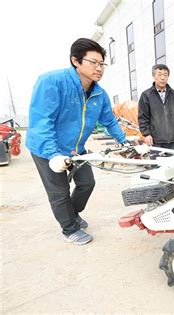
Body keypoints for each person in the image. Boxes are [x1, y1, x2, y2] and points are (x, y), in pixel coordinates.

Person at [26, 38, 128, 245]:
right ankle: (69, 229)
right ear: (75, 61)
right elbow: (41, 121)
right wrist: (53, 154)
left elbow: (109, 120)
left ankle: (71, 213)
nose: (99, 68)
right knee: (59, 191)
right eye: (93, 62)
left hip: (76, 149)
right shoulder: (52, 82)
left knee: (86, 183)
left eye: (102, 64)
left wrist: (125, 142)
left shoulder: (99, 93)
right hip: (46, 148)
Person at [138, 64, 174, 150]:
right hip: (155, 141)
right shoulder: (146, 95)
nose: (163, 78)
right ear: (154, 76)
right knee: (157, 163)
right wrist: (146, 134)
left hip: (173, 140)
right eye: (159, 74)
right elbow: (143, 117)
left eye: (165, 75)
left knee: (173, 163)